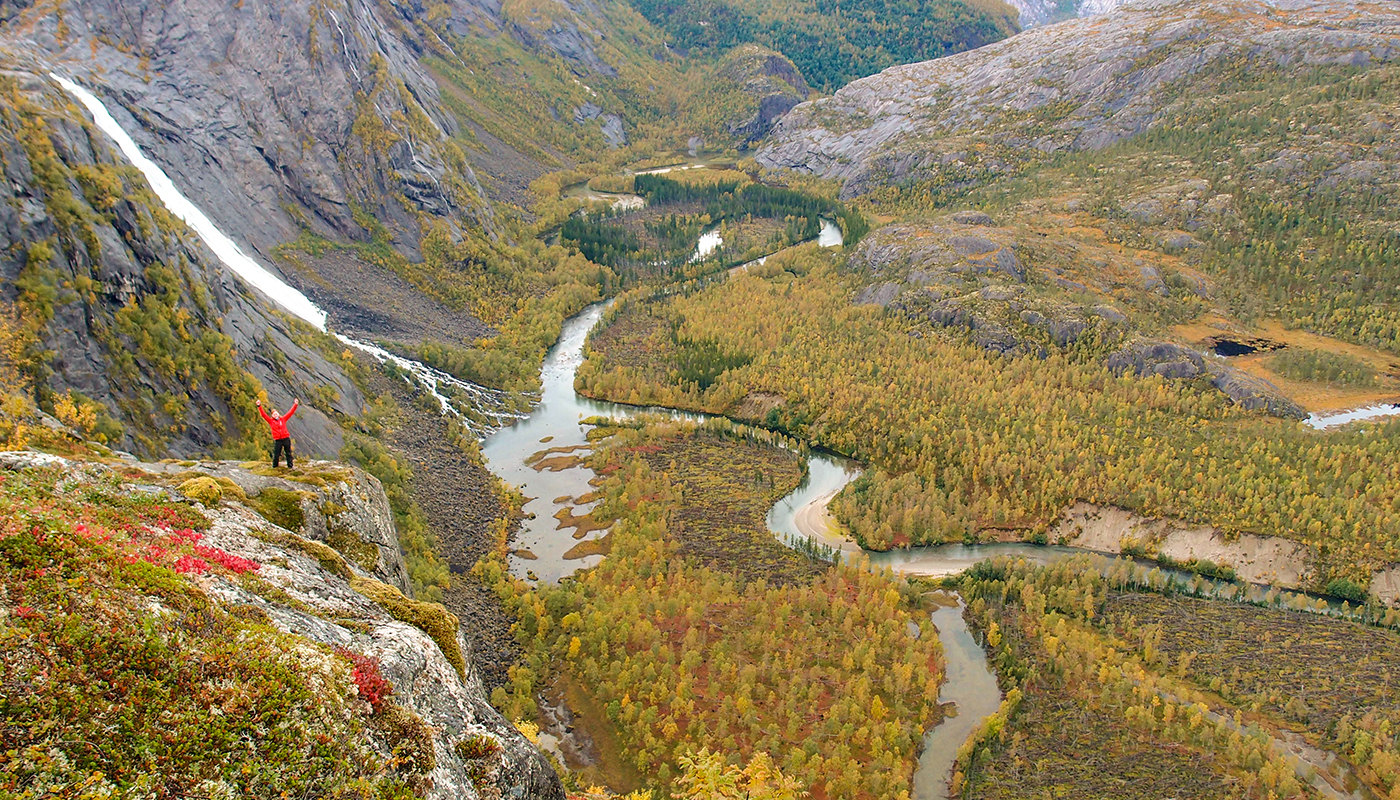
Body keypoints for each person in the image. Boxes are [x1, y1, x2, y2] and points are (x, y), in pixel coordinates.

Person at [257, 398, 300, 468]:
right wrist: (259, 406)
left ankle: (290, 466)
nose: (275, 415)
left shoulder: (283, 419)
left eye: (276, 413)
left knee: (288, 453)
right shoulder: (271, 421)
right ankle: (275, 467)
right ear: (272, 416)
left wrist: (295, 404)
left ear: (278, 414)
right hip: (278, 440)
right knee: (276, 454)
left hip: (286, 438)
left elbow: (291, 412)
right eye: (274, 414)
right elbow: (263, 415)